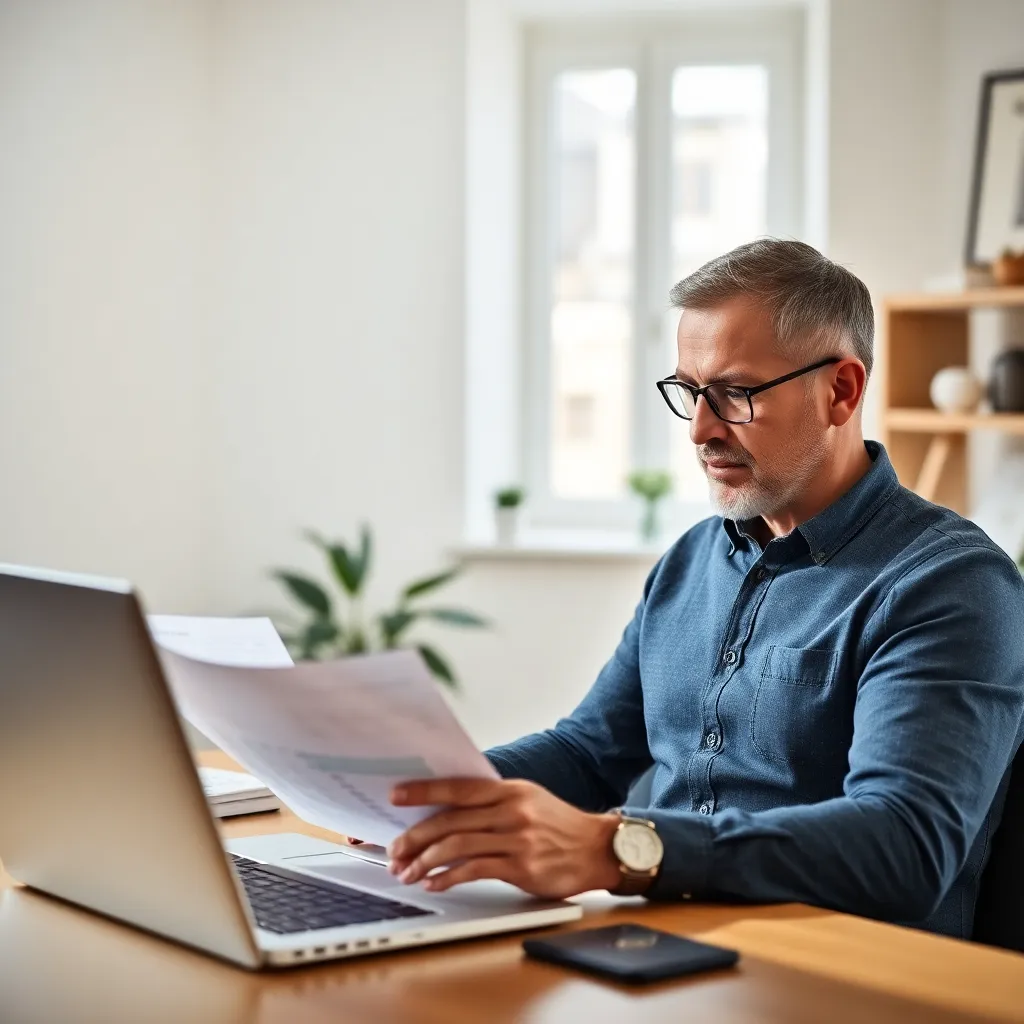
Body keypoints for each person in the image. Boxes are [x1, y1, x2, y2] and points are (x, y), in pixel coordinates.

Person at [383, 239, 1024, 939]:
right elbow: (589, 753)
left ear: (841, 390)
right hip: (664, 946)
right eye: (689, 391)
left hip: (845, 976)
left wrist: (616, 849)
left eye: (735, 393)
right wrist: (423, 795)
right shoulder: (693, 559)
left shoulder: (951, 584)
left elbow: (903, 845)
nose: (700, 429)